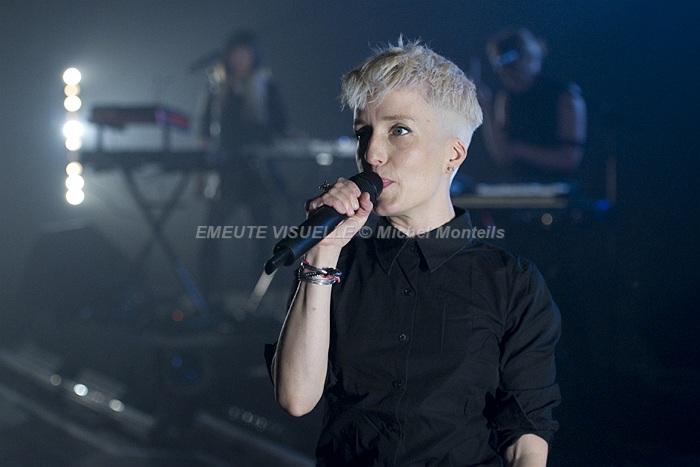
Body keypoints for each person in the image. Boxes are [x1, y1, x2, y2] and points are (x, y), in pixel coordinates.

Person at [266, 38, 561, 466]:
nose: (371, 154)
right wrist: (323, 253)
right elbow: (295, 398)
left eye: (398, 130)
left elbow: (526, 437)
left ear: (453, 154)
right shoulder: (338, 264)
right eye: (363, 133)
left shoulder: (511, 283)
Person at [197, 30, 288, 301]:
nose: (239, 59)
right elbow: (204, 129)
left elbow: (281, 124)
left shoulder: (266, 85)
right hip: (227, 171)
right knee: (210, 232)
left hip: (259, 171)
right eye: (235, 54)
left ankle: (259, 298)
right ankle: (207, 296)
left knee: (262, 236)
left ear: (253, 56)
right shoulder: (217, 87)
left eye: (244, 54)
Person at [477, 27, 587, 183]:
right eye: (499, 66)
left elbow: (569, 159)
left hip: (557, 185)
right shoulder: (506, 98)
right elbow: (503, 155)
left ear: (530, 58)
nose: (505, 72)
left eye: (511, 64)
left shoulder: (566, 95)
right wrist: (486, 108)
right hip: (518, 185)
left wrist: (519, 149)